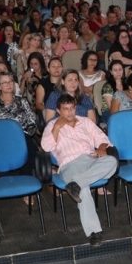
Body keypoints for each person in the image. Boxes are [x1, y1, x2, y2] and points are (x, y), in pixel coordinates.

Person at [41, 94, 117, 246]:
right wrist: (57, 127)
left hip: (90, 159)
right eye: (66, 109)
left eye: (72, 108)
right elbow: (47, 147)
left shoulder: (85, 122)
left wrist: (102, 148)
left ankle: (75, 184)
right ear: (58, 110)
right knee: (83, 191)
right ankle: (94, 231)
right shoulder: (52, 126)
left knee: (112, 162)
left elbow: (102, 139)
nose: (70, 112)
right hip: (70, 164)